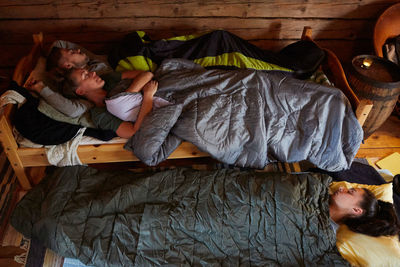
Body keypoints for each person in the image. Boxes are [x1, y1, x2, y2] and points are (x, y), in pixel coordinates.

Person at [65, 68, 171, 136]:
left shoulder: (108, 79)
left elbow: (147, 74)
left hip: (165, 91)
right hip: (160, 111)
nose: (93, 73)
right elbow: (133, 131)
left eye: (88, 71)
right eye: (86, 76)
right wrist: (148, 96)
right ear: (81, 91)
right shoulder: (99, 114)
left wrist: (130, 93)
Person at [329, 186, 400, 238]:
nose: (341, 187)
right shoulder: (323, 192)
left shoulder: (328, 232)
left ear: (356, 210)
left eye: (349, 192)